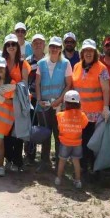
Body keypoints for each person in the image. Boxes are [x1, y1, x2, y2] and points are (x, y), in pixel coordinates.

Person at [72, 39, 110, 174]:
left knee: (92, 143)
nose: (88, 53)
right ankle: (82, 168)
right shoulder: (76, 67)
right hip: (79, 113)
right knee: (81, 141)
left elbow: (106, 89)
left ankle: (94, 169)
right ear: (82, 52)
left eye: (91, 51)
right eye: (86, 50)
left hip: (95, 113)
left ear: (95, 53)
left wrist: (106, 107)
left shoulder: (102, 68)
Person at [35, 36, 73, 170]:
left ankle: (59, 163)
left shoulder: (66, 64)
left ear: (60, 49)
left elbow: (69, 84)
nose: (54, 49)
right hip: (44, 106)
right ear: (48, 47)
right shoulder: (41, 63)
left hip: (59, 106)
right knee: (45, 134)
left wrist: (59, 100)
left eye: (57, 47)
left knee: (58, 135)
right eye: (52, 46)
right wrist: (39, 99)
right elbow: (38, 83)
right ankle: (44, 162)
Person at [2, 33, 31, 172]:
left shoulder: (23, 63)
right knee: (6, 133)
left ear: (17, 46)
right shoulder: (1, 62)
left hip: (18, 103)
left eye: (13, 44)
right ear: (5, 47)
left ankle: (17, 161)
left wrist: (13, 86)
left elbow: (25, 84)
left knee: (18, 133)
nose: (11, 47)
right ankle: (8, 159)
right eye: (8, 44)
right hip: (4, 103)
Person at [55, 90, 89, 189]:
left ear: (65, 103)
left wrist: (58, 107)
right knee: (76, 161)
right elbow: (84, 125)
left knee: (62, 161)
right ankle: (78, 181)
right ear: (79, 103)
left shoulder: (61, 115)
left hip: (65, 143)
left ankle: (58, 178)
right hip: (77, 143)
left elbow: (57, 115)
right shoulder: (82, 115)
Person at [25, 33, 47, 163]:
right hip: (31, 98)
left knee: (44, 126)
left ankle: (44, 158)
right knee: (31, 126)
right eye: (35, 43)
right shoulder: (27, 61)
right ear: (32, 45)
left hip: (46, 99)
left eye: (40, 43)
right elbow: (25, 80)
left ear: (44, 45)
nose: (38, 45)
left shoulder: (50, 60)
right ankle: (30, 155)